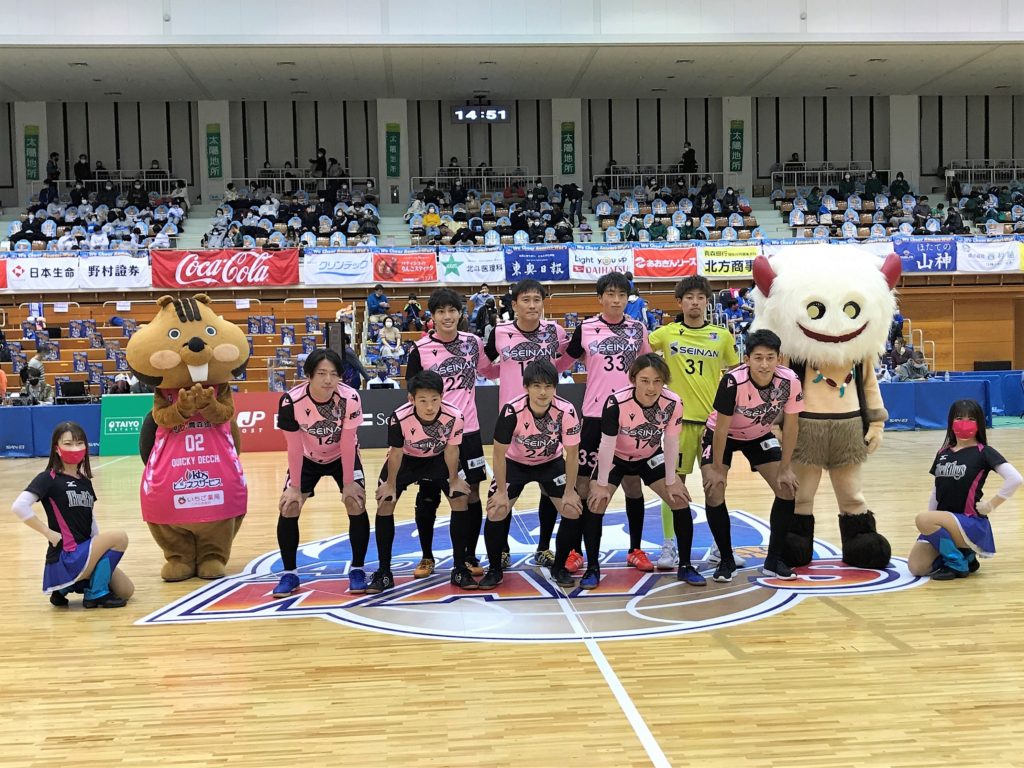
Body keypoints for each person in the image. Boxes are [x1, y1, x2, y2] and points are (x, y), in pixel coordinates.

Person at [405, 289, 499, 586]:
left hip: (468, 431)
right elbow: (412, 396)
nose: (447, 317)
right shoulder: (420, 349)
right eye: (441, 311)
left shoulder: (473, 343)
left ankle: (469, 554)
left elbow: (490, 370)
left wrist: (517, 363)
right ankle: (427, 556)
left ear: (460, 313)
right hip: (433, 433)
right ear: (432, 316)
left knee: (471, 493)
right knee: (429, 494)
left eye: (452, 310)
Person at [564, 272, 653, 583]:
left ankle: (635, 549)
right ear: (600, 297)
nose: (616, 300)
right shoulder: (585, 328)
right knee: (584, 485)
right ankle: (575, 550)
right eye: (610, 294)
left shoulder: (638, 328)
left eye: (621, 295)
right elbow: (562, 362)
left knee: (632, 484)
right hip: (594, 416)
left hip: (631, 415)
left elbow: (649, 367)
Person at [647, 275, 740, 569]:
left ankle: (719, 547)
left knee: (716, 485)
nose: (695, 302)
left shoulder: (722, 336)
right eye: (689, 297)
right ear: (680, 302)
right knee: (672, 486)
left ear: (707, 302)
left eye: (701, 297)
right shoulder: (666, 334)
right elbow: (639, 351)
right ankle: (669, 546)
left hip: (713, 425)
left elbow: (736, 373)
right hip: (678, 423)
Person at [701, 329, 804, 581]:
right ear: (747, 359)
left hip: (758, 434)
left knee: (786, 488)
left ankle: (773, 560)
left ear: (779, 358)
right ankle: (726, 559)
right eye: (758, 358)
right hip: (723, 434)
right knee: (714, 489)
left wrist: (786, 467)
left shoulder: (790, 380)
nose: (764, 364)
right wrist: (717, 468)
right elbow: (721, 428)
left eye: (770, 357)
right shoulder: (732, 381)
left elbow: (792, 426)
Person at [484, 279, 573, 567]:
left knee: (550, 489)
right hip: (513, 420)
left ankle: (544, 547)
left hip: (547, 416)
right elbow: (484, 365)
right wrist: (503, 373)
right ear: (514, 305)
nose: (532, 305)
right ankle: (502, 550)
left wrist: (552, 372)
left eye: (537, 300)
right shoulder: (500, 332)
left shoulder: (554, 331)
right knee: (503, 495)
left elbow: (568, 357)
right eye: (526, 300)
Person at [271, 349, 370, 598]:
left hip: (341, 456)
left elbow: (348, 440)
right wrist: (294, 487)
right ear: (309, 375)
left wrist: (349, 482)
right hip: (308, 458)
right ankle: (289, 574)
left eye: (334, 374)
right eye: (322, 373)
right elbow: (293, 446)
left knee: (355, 502)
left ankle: (358, 569)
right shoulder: (291, 401)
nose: (328, 380)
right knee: (289, 506)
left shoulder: (350, 397)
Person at [587, 355, 691, 588]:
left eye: (657, 381)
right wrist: (601, 484)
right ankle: (592, 568)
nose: (651, 387)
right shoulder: (616, 402)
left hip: (649, 455)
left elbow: (671, 441)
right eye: (645, 381)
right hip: (616, 456)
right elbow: (607, 444)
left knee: (679, 499)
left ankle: (685, 565)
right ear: (633, 379)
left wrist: (672, 480)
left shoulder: (673, 402)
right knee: (596, 501)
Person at [10, 421, 133, 608]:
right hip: (66, 556)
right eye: (68, 444)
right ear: (56, 448)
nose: (74, 448)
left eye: (79, 443)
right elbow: (19, 506)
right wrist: (48, 533)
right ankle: (95, 594)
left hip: (83, 552)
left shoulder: (85, 482)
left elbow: (90, 519)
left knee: (126, 590)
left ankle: (63, 589)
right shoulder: (48, 478)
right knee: (120, 537)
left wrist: (98, 549)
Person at [483, 360, 582, 588]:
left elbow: (572, 454)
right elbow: (498, 454)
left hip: (550, 462)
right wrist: (500, 491)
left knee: (572, 509)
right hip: (515, 464)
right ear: (526, 387)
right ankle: (495, 569)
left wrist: (570, 491)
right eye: (537, 386)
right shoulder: (512, 410)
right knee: (496, 510)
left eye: (548, 386)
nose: (543, 392)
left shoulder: (566, 410)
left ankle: (559, 567)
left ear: (555, 387)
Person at [373, 371, 472, 592]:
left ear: (442, 396)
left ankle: (459, 568)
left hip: (439, 457)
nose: (429, 406)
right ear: (412, 399)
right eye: (423, 400)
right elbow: (396, 452)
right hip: (407, 460)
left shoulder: (455, 415)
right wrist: (390, 484)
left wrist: (454, 479)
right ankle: (384, 571)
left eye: (435, 400)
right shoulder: (399, 417)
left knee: (459, 499)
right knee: (385, 503)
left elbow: (452, 449)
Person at [908, 399, 1022, 579]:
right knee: (917, 567)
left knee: (922, 518)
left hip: (971, 522)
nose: (964, 423)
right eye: (959, 418)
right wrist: (930, 526)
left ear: (979, 423)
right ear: (951, 422)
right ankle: (966, 556)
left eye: (971, 419)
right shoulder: (943, 453)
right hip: (945, 523)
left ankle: (956, 563)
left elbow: (1015, 479)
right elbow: (936, 490)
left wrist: (990, 505)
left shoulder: (984, 452)